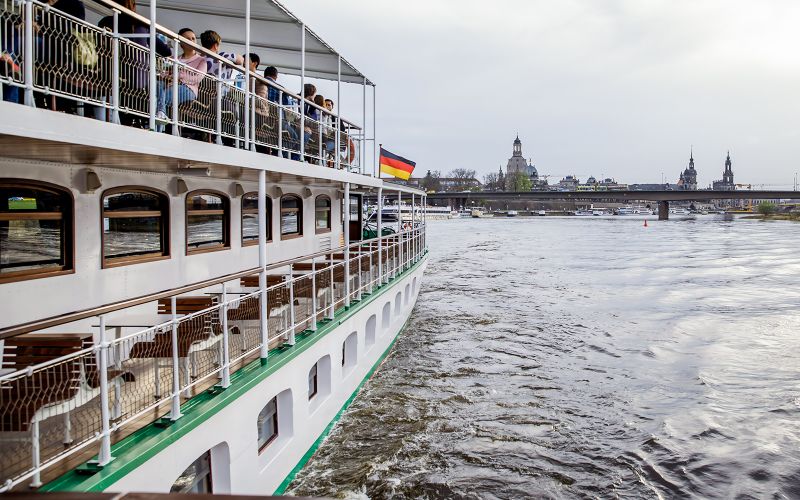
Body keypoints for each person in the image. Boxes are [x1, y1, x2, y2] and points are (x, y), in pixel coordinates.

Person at [155, 28, 206, 132]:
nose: (191, 41)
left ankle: (158, 129)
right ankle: (161, 117)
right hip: (168, 86)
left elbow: (197, 78)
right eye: (188, 39)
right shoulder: (174, 58)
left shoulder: (201, 60)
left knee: (158, 98)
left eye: (193, 38)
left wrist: (178, 76)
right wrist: (168, 76)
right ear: (181, 43)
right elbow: (163, 73)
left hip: (188, 89)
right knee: (156, 85)